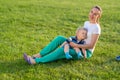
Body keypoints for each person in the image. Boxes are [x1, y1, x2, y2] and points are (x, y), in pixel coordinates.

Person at [23, 5, 102, 65]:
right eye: (91, 12)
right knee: (59, 38)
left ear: (98, 16)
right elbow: (81, 36)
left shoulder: (96, 28)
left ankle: (35, 61)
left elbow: (91, 46)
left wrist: (75, 45)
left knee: (62, 50)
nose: (92, 15)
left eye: (95, 14)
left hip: (85, 52)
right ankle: (39, 55)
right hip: (78, 44)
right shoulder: (86, 23)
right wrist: (72, 40)